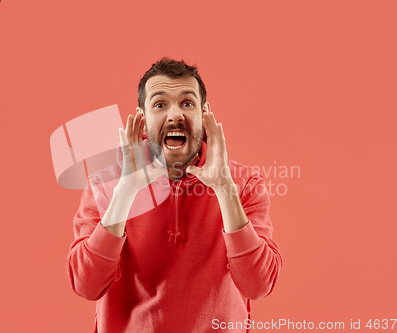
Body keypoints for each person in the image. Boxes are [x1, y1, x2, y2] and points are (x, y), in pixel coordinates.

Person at [66, 58, 282, 332]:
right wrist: (125, 194)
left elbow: (258, 285)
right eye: (160, 104)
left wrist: (224, 189)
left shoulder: (244, 183)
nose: (174, 115)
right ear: (142, 119)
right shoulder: (106, 185)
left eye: (187, 103)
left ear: (205, 115)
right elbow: (86, 285)